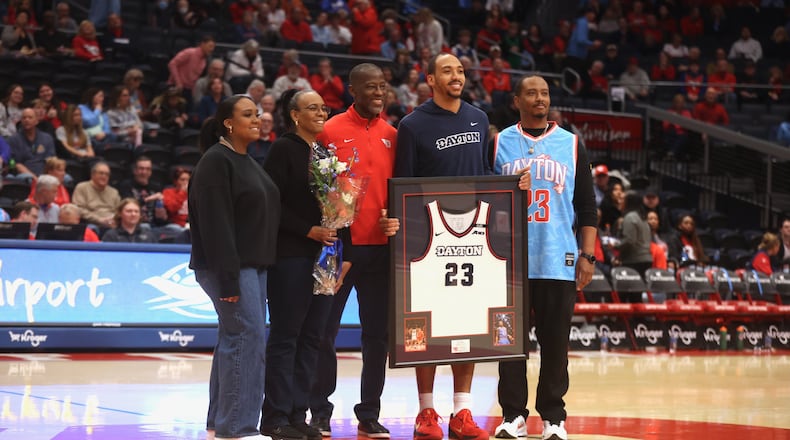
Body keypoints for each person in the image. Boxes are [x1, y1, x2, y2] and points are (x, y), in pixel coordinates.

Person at [491, 74, 596, 440]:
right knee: (510, 345)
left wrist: (588, 255)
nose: (540, 98)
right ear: (516, 100)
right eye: (532, 93)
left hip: (558, 259)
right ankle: (513, 416)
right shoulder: (499, 142)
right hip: (508, 261)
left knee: (555, 344)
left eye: (545, 93)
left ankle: (553, 416)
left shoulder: (571, 143)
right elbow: (482, 196)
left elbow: (587, 206)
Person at [393, 53, 490, 440]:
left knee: (466, 324)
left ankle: (462, 411)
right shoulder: (413, 125)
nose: (457, 76)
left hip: (473, 238)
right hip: (429, 238)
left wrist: (510, 185)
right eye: (448, 70)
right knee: (428, 327)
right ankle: (426, 411)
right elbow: (403, 183)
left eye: (461, 71)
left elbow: (484, 177)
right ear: (430, 79)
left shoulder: (479, 119)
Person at [309, 63, 397, 439]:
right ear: (353, 90)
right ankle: (320, 411)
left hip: (380, 251)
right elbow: (314, 186)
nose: (379, 93)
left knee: (376, 336)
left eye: (383, 87)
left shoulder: (395, 134)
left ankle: (369, 412)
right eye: (371, 87)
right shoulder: (328, 131)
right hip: (336, 249)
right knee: (322, 332)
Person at [189, 94, 280, 440]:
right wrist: (228, 281)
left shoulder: (248, 160)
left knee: (236, 338)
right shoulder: (216, 162)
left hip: (253, 266)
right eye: (248, 114)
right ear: (228, 123)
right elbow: (216, 225)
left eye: (257, 113)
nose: (257, 119)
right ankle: (238, 428)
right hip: (229, 268)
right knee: (247, 338)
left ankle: (218, 423)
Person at [259, 90, 334, 440]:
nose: (321, 112)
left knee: (312, 338)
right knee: (286, 336)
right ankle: (274, 417)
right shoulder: (283, 149)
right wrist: (309, 230)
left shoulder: (325, 153)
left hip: (325, 259)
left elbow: (337, 208)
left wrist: (339, 246)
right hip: (291, 255)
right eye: (312, 108)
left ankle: (297, 415)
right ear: (294, 115)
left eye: (323, 107)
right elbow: (270, 205)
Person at [614, 191, 653, 297]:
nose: (620, 201)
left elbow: (629, 241)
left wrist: (614, 246)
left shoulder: (630, 217)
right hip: (645, 259)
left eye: (623, 199)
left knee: (628, 296)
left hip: (634, 261)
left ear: (628, 202)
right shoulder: (642, 217)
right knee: (637, 296)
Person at [118, 156, 168, 228]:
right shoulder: (126, 185)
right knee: (145, 226)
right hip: (136, 224)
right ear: (135, 171)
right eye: (141, 169)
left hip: (155, 224)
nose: (144, 172)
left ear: (150, 172)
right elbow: (128, 205)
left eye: (147, 169)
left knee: (175, 228)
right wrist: (149, 199)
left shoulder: (156, 187)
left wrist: (162, 212)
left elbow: (161, 217)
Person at [8, 108, 57, 181]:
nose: (26, 120)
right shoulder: (13, 139)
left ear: (36, 121)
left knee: (66, 178)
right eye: (24, 118)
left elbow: (51, 161)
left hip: (45, 174)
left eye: (30, 117)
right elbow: (16, 164)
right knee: (27, 178)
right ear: (21, 121)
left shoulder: (47, 138)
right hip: (24, 175)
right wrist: (36, 180)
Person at [72, 161, 121, 230]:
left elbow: (119, 211)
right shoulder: (82, 187)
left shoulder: (114, 192)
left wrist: (113, 219)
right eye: (101, 173)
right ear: (92, 175)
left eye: (107, 174)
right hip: (91, 223)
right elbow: (79, 209)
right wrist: (99, 219)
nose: (104, 176)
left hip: (111, 223)